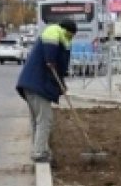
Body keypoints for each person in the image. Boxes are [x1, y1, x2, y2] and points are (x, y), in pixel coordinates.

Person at [15, 17, 76, 164]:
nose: (72, 38)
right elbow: (51, 62)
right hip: (37, 86)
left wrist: (61, 83)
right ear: (68, 32)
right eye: (72, 35)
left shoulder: (55, 35)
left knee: (38, 120)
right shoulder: (53, 33)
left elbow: (55, 67)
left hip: (30, 84)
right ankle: (39, 152)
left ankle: (39, 148)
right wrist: (52, 62)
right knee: (45, 119)